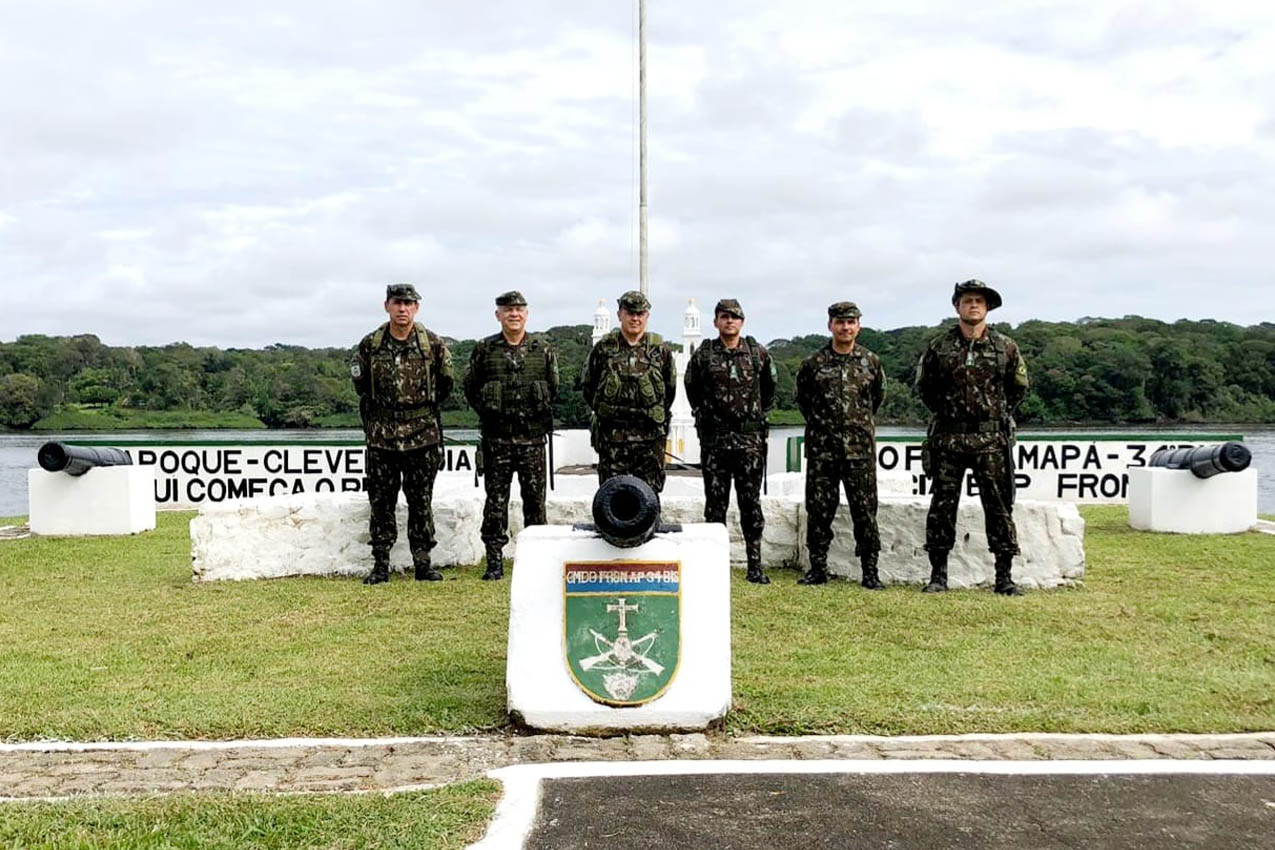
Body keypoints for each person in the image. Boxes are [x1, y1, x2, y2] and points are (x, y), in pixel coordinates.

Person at [916, 279, 1030, 596]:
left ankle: (1004, 577)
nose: (974, 305)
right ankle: (938, 575)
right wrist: (950, 413)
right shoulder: (939, 347)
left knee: (998, 507)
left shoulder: (1005, 347)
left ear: (988, 307)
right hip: (949, 438)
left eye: (979, 300)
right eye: (967, 300)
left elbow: (1018, 387)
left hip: (991, 439)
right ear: (957, 306)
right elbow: (926, 389)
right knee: (942, 505)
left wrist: (993, 413)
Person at [350, 283, 454, 585]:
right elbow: (361, 388)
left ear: (416, 308)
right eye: (397, 303)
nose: (402, 308)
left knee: (421, 501)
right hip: (382, 437)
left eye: (408, 303)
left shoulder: (432, 345)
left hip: (422, 435)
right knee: (381, 501)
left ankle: (423, 563)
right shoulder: (371, 345)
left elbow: (445, 385)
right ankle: (380, 564)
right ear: (387, 306)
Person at [463, 290, 559, 581]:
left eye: (518, 309)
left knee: (535, 504)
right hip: (497, 441)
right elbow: (470, 388)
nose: (513, 314)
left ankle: (536, 561)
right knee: (495, 503)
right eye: (507, 310)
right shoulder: (484, 350)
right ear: (498, 315)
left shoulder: (542, 350)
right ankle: (494, 561)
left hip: (532, 441)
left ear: (526, 314)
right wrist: (491, 414)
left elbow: (553, 388)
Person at [684, 298, 777, 584]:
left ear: (742, 322)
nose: (730, 322)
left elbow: (770, 391)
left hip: (749, 442)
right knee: (715, 505)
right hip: (715, 442)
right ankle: (714, 565)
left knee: (750, 504)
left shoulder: (757, 354)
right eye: (724, 317)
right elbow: (692, 388)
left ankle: (755, 565)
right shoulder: (703, 355)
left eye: (735, 317)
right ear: (716, 322)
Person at [795, 301, 885, 588]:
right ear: (830, 325)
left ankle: (870, 571)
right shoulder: (813, 364)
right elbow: (804, 401)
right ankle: (817, 568)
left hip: (860, 451)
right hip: (823, 451)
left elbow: (877, 399)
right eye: (839, 322)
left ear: (858, 325)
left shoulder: (871, 361)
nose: (845, 327)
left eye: (851, 322)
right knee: (819, 510)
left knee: (865, 511)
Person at [581, 290, 677, 493]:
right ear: (619, 315)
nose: (635, 318)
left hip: (650, 438)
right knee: (612, 495)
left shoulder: (660, 351)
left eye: (640, 314)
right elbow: (589, 387)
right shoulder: (604, 349)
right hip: (613, 438)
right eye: (629, 313)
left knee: (649, 498)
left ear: (646, 316)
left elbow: (670, 390)